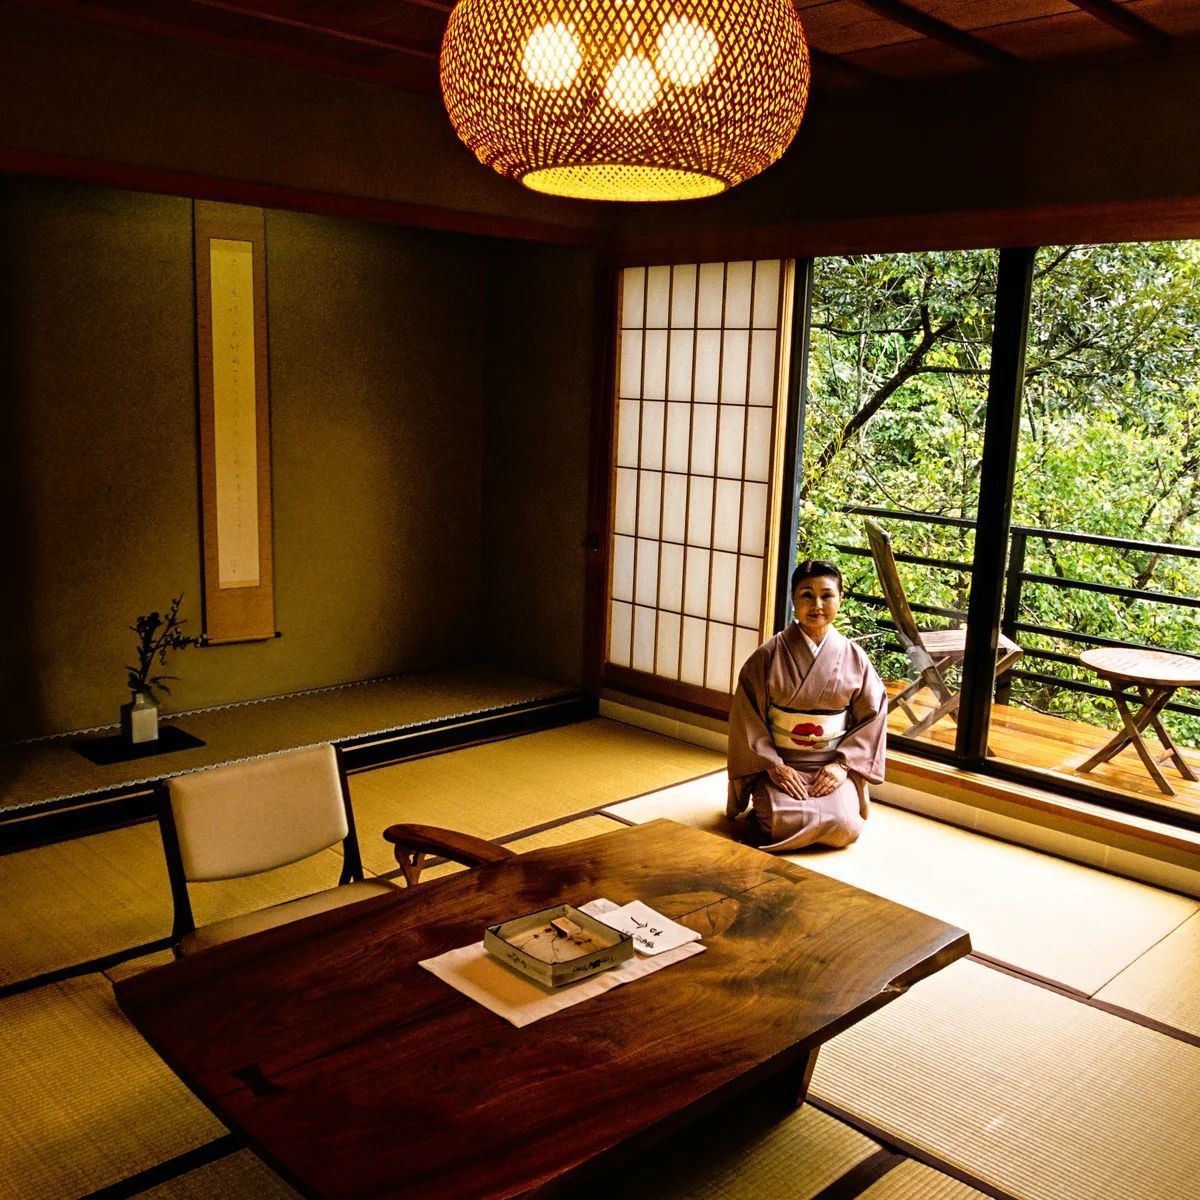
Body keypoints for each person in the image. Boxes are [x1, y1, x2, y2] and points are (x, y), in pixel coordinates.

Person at [726, 559, 887, 851]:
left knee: (846, 828)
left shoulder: (855, 658)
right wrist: (774, 767)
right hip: (780, 762)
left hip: (831, 763)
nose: (817, 604)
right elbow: (746, 719)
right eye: (806, 594)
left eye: (827, 595)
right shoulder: (767, 656)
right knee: (775, 821)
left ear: (841, 599)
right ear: (793, 599)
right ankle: (766, 808)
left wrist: (842, 765)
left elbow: (872, 717)